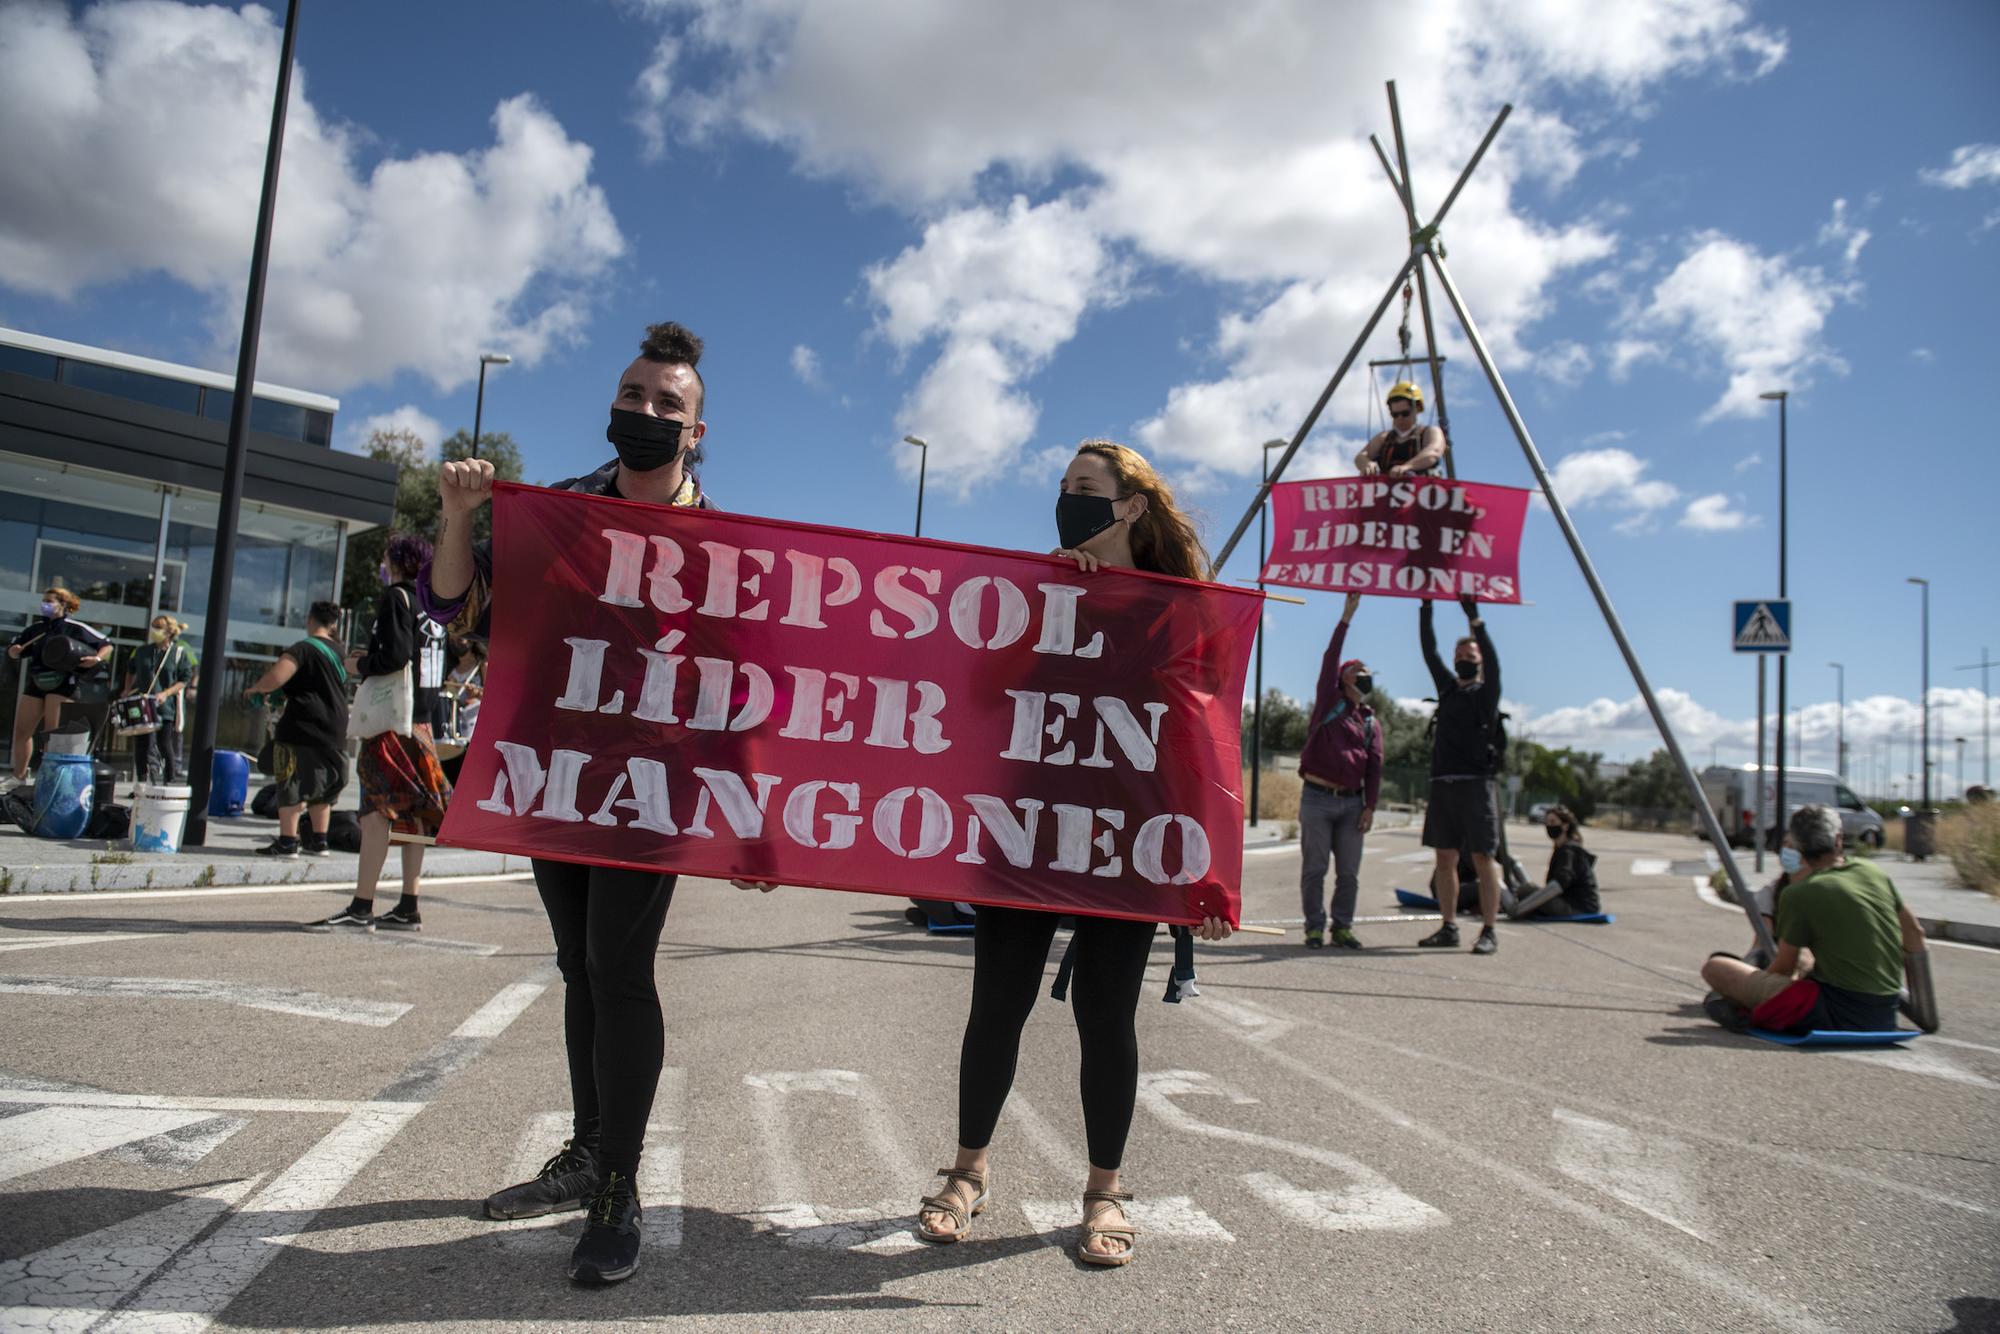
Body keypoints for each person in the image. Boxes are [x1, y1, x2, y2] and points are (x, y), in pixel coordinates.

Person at [423, 321, 718, 1286]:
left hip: (652, 787)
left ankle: (618, 1190)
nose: (644, 413)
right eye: (633, 396)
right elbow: (450, 608)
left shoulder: (720, 547)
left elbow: (742, 686)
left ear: (697, 432)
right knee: (577, 965)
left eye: (666, 404)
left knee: (620, 969)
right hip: (556, 774)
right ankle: (591, 1150)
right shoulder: (556, 512)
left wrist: (751, 817)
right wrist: (460, 513)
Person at [912, 439, 1234, 1269]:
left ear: (1129, 506)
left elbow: (1202, 745)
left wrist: (1208, 869)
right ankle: (968, 1173)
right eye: (1061, 487)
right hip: (1027, 828)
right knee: (998, 1005)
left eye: (1084, 488)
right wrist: (1050, 603)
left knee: (1105, 1015)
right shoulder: (1040, 592)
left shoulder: (1181, 607)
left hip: (1127, 842)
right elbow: (986, 693)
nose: (1068, 499)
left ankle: (1104, 1190)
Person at [316, 534, 452, 930]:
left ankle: (362, 904)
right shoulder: (435, 605)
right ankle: (409, 903)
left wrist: (361, 665)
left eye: (386, 557)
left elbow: (393, 656)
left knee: (376, 811)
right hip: (423, 720)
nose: (382, 563)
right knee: (417, 814)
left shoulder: (397, 597)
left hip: (393, 722)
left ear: (398, 560)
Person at [1701, 805, 1927, 1034]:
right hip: (1885, 1012)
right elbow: (1915, 933)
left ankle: (1742, 1008)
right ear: (1838, 840)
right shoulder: (1873, 872)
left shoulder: (1798, 893)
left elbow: (1784, 968)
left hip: (1833, 1012)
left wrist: (1753, 986)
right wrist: (1926, 1014)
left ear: (1797, 847)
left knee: (1716, 967)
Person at [1417, 594, 1503, 954]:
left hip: (1476, 785)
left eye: (1471, 657)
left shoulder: (1486, 694)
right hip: (1443, 784)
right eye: (1461, 657)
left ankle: (1488, 930)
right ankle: (1448, 925)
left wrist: (1475, 621)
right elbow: (1428, 650)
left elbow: (1495, 663)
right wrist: (1426, 606)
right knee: (1444, 858)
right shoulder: (1447, 689)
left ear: (1478, 662)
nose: (1464, 661)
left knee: (1483, 858)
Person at [1297, 590, 1383, 949]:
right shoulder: (1328, 703)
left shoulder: (1369, 721)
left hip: (1352, 805)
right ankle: (1315, 927)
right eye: (1356, 670)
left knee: (1349, 873)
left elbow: (1375, 766)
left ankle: (1342, 927)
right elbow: (1330, 657)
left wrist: (1369, 806)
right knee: (1315, 869)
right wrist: (1345, 618)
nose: (1363, 675)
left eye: (1366, 671)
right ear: (1343, 678)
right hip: (1317, 799)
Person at [248, 602, 350, 870]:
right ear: (334, 624)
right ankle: (319, 841)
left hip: (302, 727)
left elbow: (278, 676)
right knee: (322, 787)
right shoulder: (339, 652)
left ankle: (288, 842)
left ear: (309, 619)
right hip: (335, 729)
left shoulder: (303, 649)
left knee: (291, 782)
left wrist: (255, 689)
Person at [7, 586, 110, 784]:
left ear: (63, 604)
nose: (45, 604)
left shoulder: (74, 627)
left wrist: (96, 658)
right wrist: (14, 651)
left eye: (49, 601)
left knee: (52, 735)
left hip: (63, 682)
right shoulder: (35, 628)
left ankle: (47, 780)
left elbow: (106, 643)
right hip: (37, 681)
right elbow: (15, 649)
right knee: (22, 731)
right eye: (43, 601)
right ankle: (18, 776)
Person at [122, 615, 196, 785]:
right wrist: (127, 689)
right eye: (153, 626)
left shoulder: (178, 653)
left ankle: (169, 780)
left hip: (165, 707)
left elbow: (184, 679)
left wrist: (165, 693)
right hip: (143, 704)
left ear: (169, 631)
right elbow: (130, 669)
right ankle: (141, 781)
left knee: (164, 743)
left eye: (158, 627)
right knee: (142, 744)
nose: (154, 630)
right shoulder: (142, 651)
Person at [1505, 805, 1599, 918]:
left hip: (1578, 907)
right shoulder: (1561, 848)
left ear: (1565, 826)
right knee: (1524, 889)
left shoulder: (1569, 850)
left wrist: (1518, 910)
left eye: (1553, 822)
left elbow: (1561, 882)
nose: (1549, 826)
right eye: (1547, 822)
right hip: (1571, 903)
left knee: (1526, 890)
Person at [1354, 380, 1448, 478]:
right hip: (1386, 491)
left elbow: (1433, 452)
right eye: (1395, 415)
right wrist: (1366, 463)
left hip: (1421, 489)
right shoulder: (1384, 437)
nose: (1400, 418)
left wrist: (1407, 467)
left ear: (1417, 409)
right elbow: (1360, 457)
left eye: (1405, 413)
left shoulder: (1430, 432)